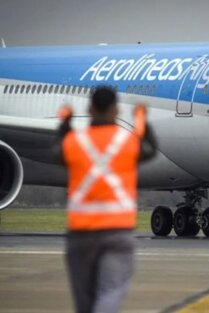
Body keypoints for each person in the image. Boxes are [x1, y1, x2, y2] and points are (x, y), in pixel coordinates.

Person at [53, 86, 157, 313]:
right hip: (117, 232)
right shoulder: (127, 141)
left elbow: (58, 152)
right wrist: (142, 120)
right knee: (110, 291)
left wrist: (65, 123)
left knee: (84, 301)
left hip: (81, 235)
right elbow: (150, 149)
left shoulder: (75, 141)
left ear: (89, 109)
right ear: (116, 110)